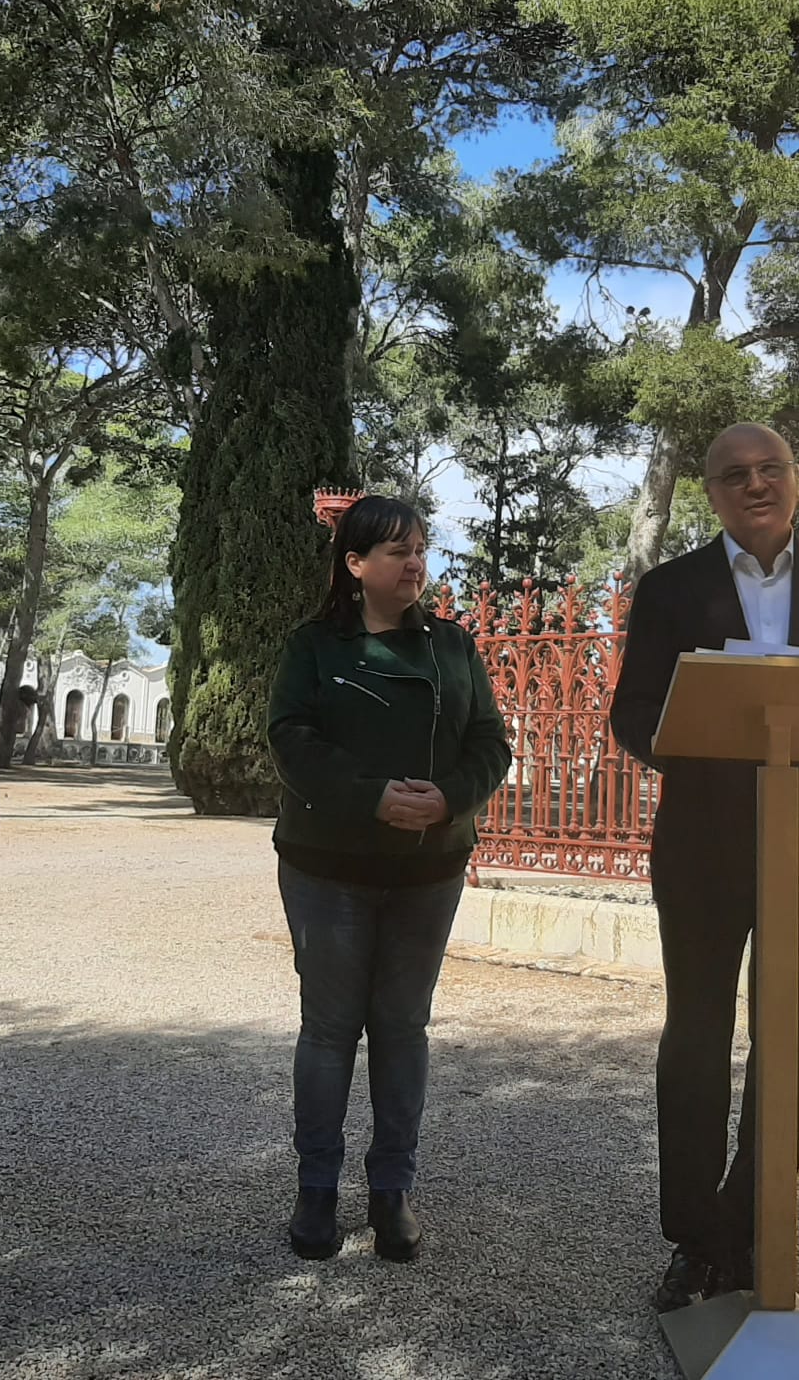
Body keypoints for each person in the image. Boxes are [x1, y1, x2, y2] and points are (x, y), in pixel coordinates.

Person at [607, 423, 799, 1313]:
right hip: (705, 848)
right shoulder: (670, 589)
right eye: (734, 474)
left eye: (769, 469)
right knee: (696, 1043)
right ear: (711, 492)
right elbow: (634, 711)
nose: (755, 485)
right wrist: (708, 747)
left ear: (797, 480)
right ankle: (693, 1240)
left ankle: (752, 1231)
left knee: (792, 1047)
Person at [265, 495, 512, 1262]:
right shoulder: (314, 647)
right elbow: (290, 738)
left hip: (428, 869)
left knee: (404, 1030)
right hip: (327, 868)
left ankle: (391, 1193)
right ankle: (316, 1193)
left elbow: (489, 742)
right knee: (331, 1031)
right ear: (355, 565)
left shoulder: (453, 647)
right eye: (397, 550)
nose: (415, 562)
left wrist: (453, 797)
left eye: (420, 547)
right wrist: (371, 796)